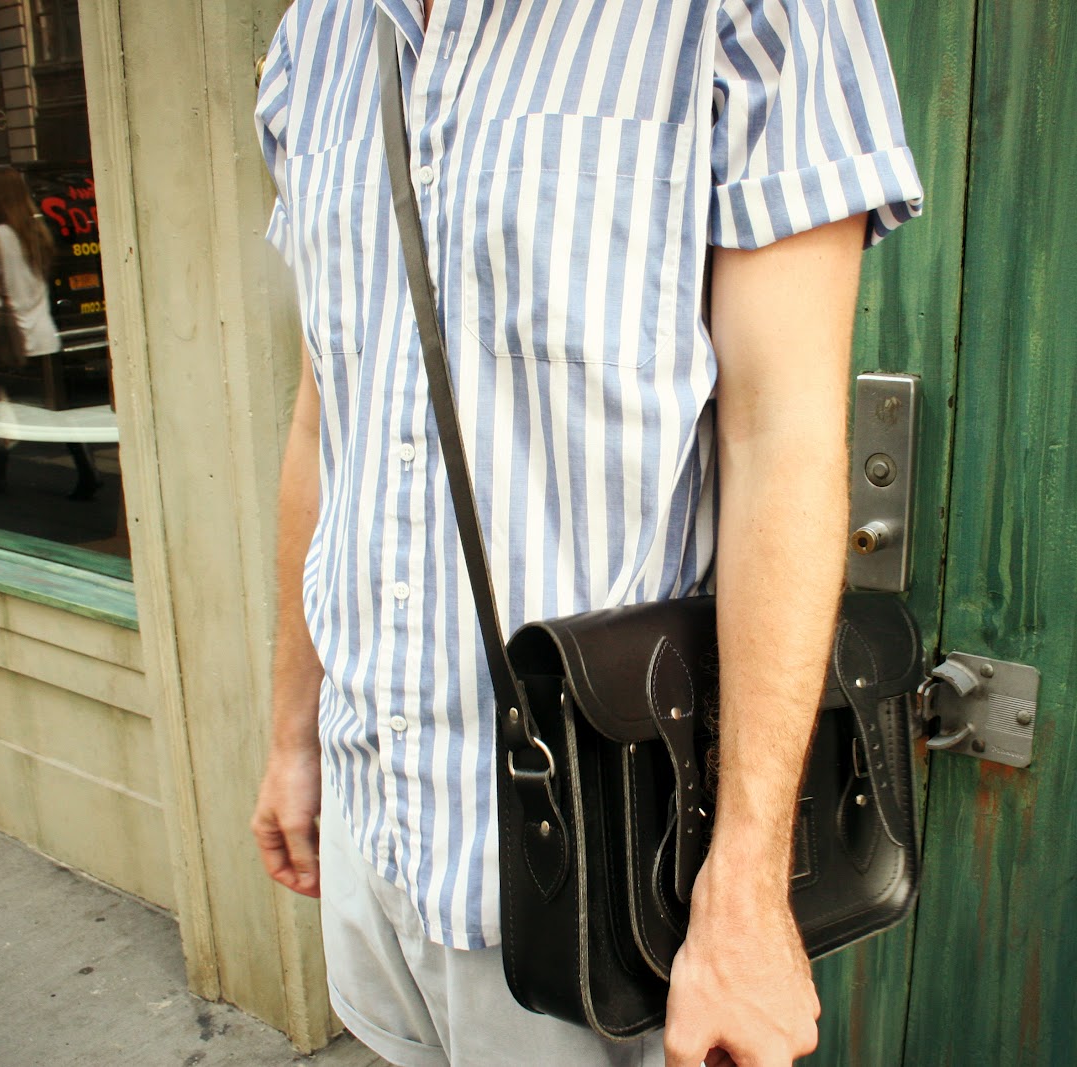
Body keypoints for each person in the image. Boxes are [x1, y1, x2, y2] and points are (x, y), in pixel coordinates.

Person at [251, 1, 923, 1064]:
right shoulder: (314, 37)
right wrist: (295, 736)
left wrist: (746, 889)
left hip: (602, 878)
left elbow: (784, 438)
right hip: (370, 819)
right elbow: (324, 415)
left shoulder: (743, 18)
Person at [0, 166, 99, 499]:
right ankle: (86, 471)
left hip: (11, 341)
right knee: (56, 411)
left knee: (0, 407)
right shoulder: (38, 231)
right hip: (44, 335)